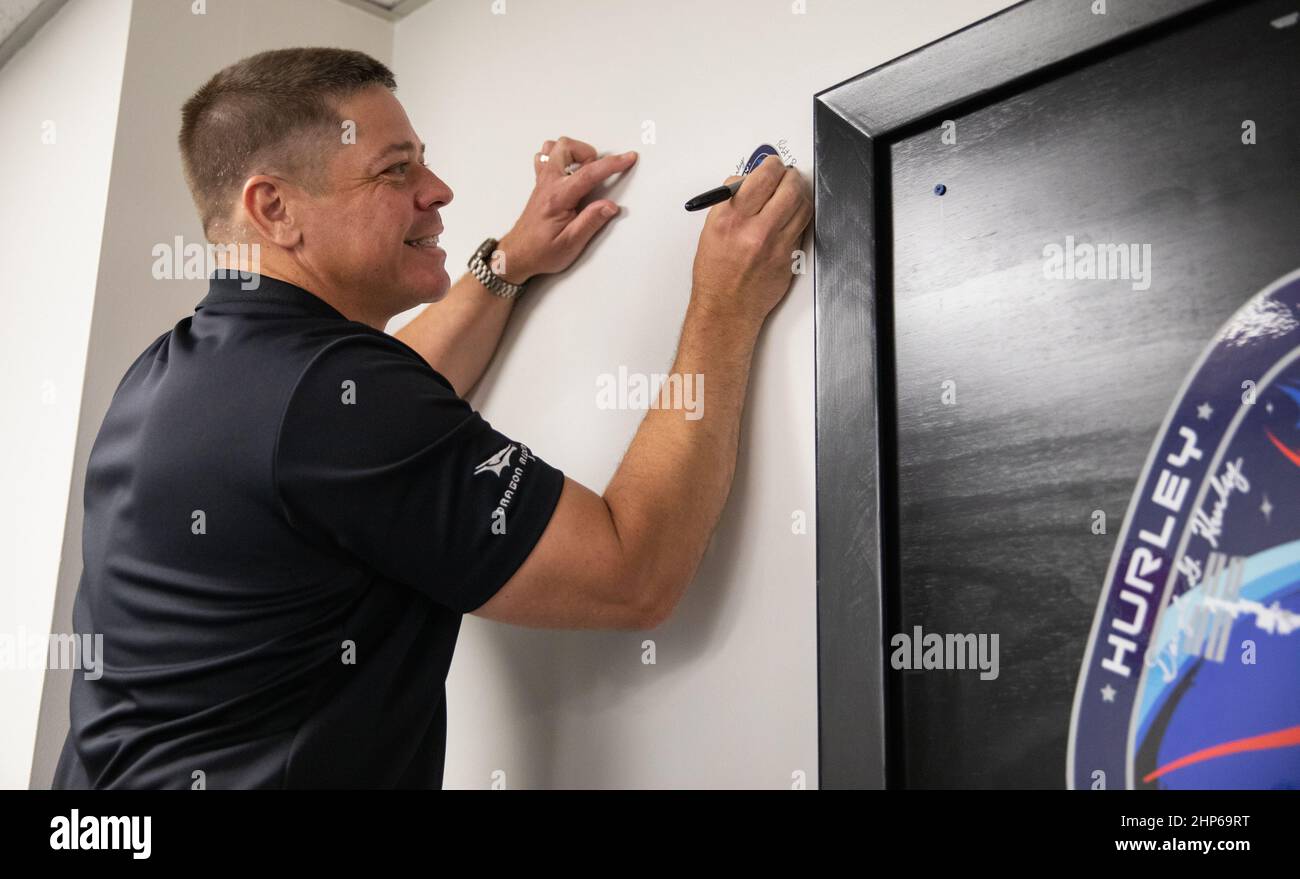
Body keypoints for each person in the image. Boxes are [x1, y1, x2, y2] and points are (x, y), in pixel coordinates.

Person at [51, 47, 812, 789]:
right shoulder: (333, 401)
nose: (439, 189)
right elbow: (632, 573)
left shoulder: (175, 373)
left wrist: (507, 261)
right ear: (274, 208)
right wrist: (727, 300)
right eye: (396, 169)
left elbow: (362, 423)